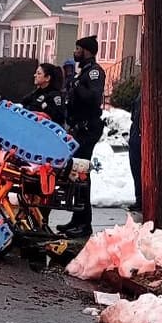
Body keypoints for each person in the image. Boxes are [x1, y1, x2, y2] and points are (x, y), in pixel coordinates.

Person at [58, 36, 105, 237]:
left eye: (78, 48)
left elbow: (93, 98)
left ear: (87, 51)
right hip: (77, 129)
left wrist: (76, 85)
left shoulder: (94, 72)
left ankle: (85, 223)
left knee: (81, 175)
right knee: (75, 175)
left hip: (88, 129)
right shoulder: (82, 73)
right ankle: (77, 218)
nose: (75, 52)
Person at [127, 84, 162, 213]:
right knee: (137, 168)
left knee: (151, 169)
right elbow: (135, 112)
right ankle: (140, 199)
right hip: (137, 134)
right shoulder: (143, 90)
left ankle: (152, 200)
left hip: (151, 135)